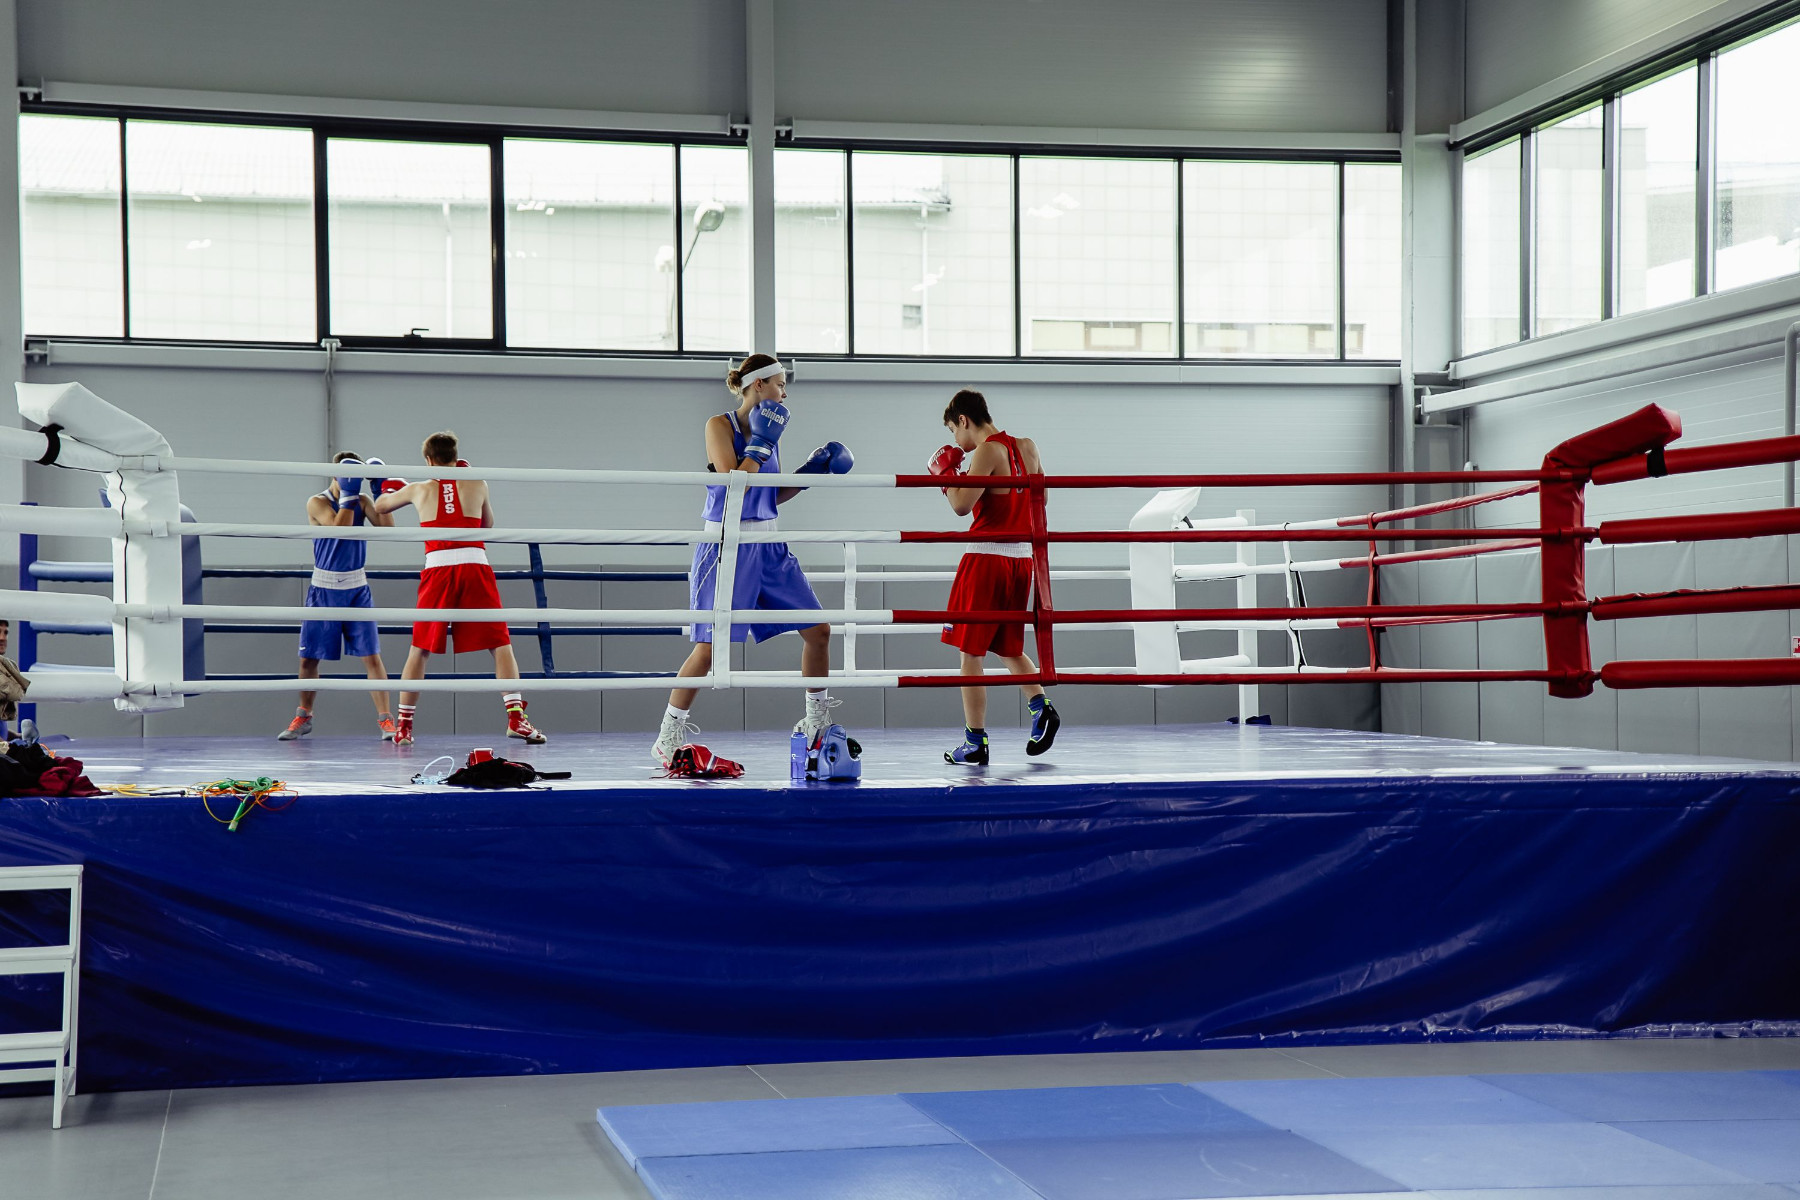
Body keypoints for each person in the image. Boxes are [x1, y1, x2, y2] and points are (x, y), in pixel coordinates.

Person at [652, 353, 855, 766]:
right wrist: (760, 443)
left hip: (769, 543)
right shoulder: (718, 425)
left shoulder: (771, 431)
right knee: (709, 650)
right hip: (727, 545)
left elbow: (769, 494)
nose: (785, 393)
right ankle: (667, 735)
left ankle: (815, 721)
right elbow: (736, 486)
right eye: (780, 384)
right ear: (759, 385)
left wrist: (810, 472)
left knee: (819, 631)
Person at [374, 432, 546, 747]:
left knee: (420, 648)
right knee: (500, 643)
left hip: (438, 570)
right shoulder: (478, 483)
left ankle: (404, 727)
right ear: (456, 457)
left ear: (428, 460)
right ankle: (515, 718)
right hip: (474, 566)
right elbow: (487, 525)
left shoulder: (419, 489)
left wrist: (386, 485)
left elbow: (381, 507)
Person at [927, 388, 1061, 765]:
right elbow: (1041, 501)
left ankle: (975, 742)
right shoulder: (1027, 446)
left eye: (954, 431)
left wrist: (947, 477)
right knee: (1009, 647)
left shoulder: (987, 451)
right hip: (1020, 561)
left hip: (986, 559)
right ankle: (1041, 707)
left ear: (964, 420)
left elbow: (960, 505)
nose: (957, 441)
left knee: (970, 653)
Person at [278, 452, 397, 741]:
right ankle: (304, 716)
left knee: (372, 657)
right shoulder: (317, 502)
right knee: (309, 659)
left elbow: (388, 529)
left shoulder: (363, 502)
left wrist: (379, 492)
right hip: (324, 589)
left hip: (357, 588)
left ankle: (386, 720)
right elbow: (339, 530)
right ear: (336, 475)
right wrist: (348, 494)